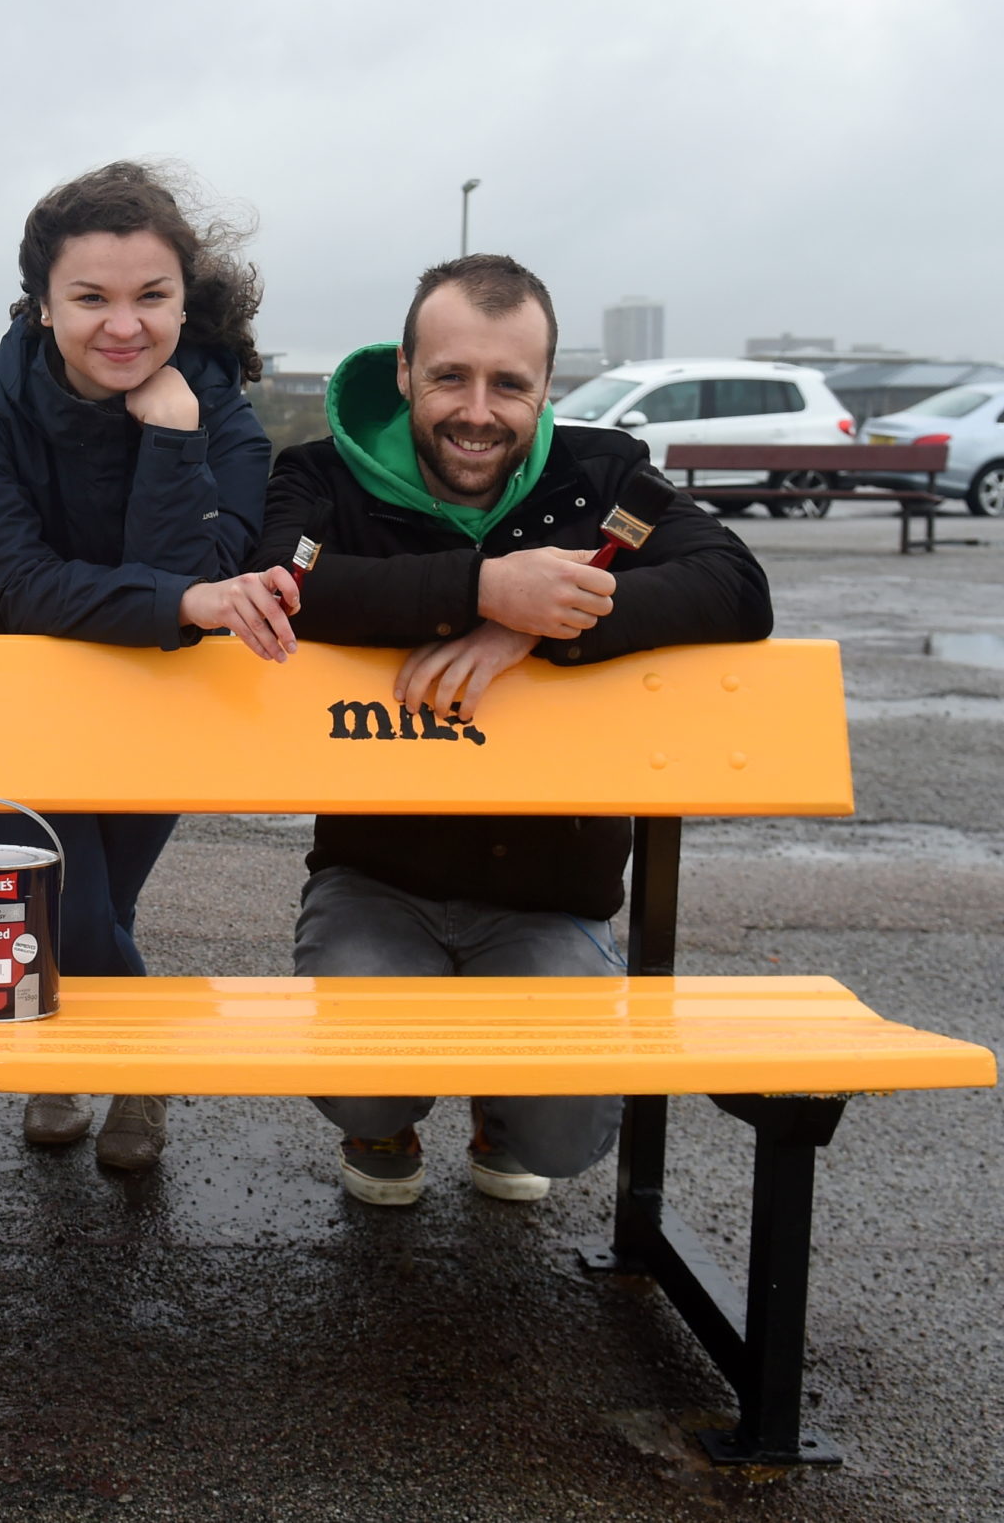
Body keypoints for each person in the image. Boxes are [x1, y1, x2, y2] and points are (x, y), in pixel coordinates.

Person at [251, 253, 772, 1205]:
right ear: (404, 371)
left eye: (510, 384)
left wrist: (537, 628)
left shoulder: (602, 471)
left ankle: (505, 1106)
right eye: (449, 375)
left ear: (547, 389)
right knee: (363, 1088)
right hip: (380, 878)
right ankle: (388, 1116)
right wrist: (482, 587)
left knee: (563, 1138)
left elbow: (736, 586)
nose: (477, 409)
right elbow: (284, 582)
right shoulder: (321, 475)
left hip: (551, 894)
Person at [0, 162, 297, 1172]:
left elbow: (205, 573)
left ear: (185, 298)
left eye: (150, 297)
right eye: (90, 298)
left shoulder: (214, 408)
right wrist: (176, 603)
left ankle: (65, 1055)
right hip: (22, 704)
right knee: (69, 907)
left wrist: (173, 438)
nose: (122, 324)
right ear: (42, 304)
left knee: (106, 909)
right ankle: (143, 1064)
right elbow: (9, 582)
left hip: (154, 706)